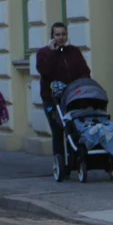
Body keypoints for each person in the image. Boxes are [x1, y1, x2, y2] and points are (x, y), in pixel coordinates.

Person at [35, 22, 91, 174]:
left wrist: (82, 85)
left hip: (73, 96)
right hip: (52, 98)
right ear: (52, 37)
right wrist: (53, 53)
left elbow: (85, 70)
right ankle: (60, 163)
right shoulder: (43, 53)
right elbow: (44, 72)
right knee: (58, 130)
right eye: (57, 35)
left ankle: (75, 160)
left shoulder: (74, 51)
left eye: (63, 34)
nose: (61, 37)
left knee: (74, 129)